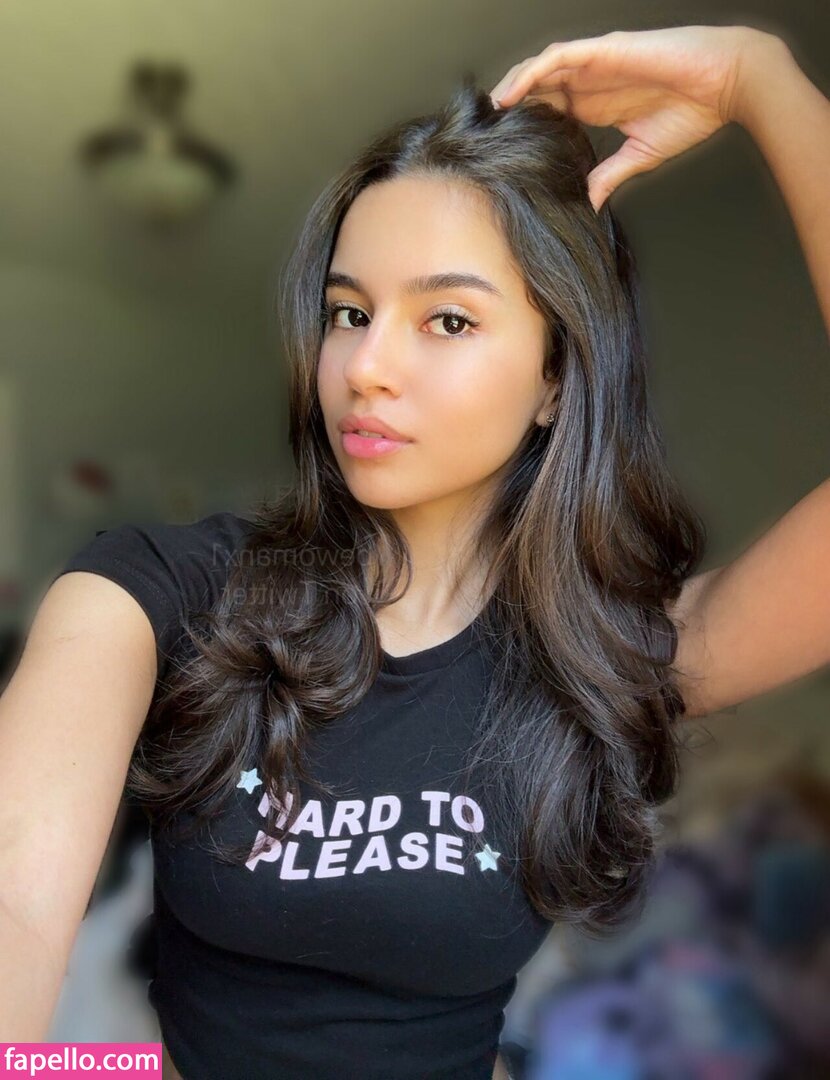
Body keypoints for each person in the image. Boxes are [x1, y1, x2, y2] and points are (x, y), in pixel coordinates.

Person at [1, 22, 828, 1080]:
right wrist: (95, 1072)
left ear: (554, 378)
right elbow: (16, 907)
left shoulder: (604, 654)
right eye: (349, 312)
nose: (365, 366)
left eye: (446, 321)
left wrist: (759, 78)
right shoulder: (160, 595)